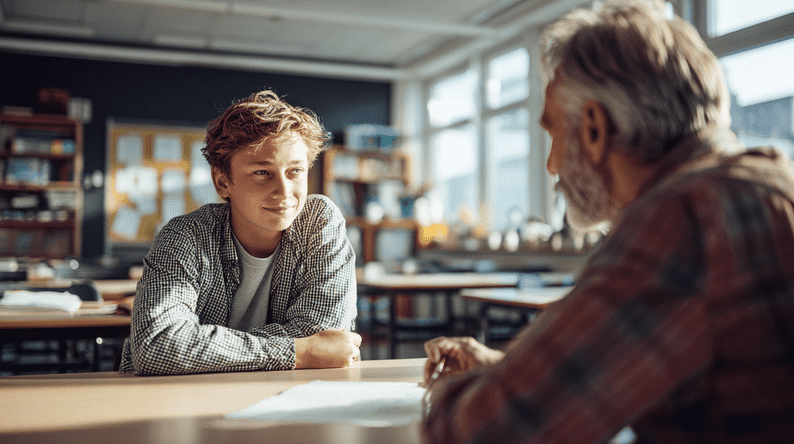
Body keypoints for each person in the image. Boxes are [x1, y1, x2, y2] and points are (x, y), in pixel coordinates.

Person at [423, 1, 794, 443]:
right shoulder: (768, 182)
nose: (551, 164)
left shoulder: (684, 218)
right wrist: (513, 373)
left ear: (595, 129)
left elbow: (480, 432)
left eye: (552, 132)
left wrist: (475, 390)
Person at [119, 90, 361, 375]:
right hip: (181, 399)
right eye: (262, 172)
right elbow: (158, 346)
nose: (284, 192)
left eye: (295, 171)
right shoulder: (185, 236)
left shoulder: (319, 221)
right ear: (222, 182)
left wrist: (202, 347)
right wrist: (301, 350)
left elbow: (325, 338)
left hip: (287, 399)